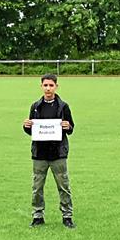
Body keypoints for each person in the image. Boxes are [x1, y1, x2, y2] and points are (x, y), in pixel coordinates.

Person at [22, 74, 75, 228]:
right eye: (45, 85)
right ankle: (37, 216)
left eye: (51, 85)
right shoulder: (35, 106)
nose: (48, 88)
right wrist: (26, 126)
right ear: (41, 86)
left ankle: (67, 216)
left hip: (58, 153)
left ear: (56, 87)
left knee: (63, 186)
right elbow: (32, 130)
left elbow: (71, 127)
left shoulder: (63, 106)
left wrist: (68, 127)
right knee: (37, 187)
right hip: (39, 153)